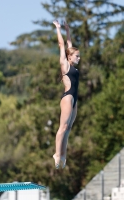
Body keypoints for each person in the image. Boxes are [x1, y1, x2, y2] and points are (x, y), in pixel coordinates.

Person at [53, 20, 80, 169]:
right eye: (77, 56)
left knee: (68, 128)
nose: (78, 58)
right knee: (63, 127)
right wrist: (58, 29)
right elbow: (62, 45)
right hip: (68, 97)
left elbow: (69, 44)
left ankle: (63, 155)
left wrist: (68, 30)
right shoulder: (65, 64)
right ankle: (57, 154)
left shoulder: (74, 66)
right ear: (70, 57)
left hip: (75, 99)